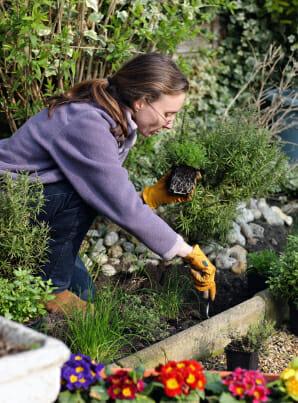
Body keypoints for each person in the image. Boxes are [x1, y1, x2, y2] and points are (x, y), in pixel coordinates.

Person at [0, 53, 216, 314]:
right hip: (9, 200)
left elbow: (108, 195)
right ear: (141, 102)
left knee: (84, 293)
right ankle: (49, 292)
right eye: (168, 114)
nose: (170, 124)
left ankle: (37, 276)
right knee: (77, 196)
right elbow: (115, 201)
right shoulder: (88, 123)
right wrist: (185, 250)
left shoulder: (116, 121)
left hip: (31, 202)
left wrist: (150, 197)